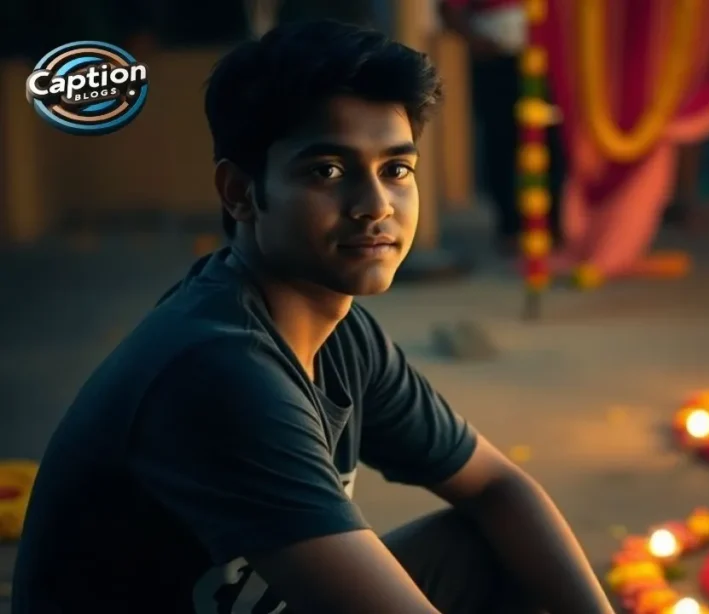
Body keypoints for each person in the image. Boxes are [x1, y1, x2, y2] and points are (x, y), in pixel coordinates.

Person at [12, 21, 614, 614]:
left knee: (495, 548)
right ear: (240, 192)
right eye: (327, 170)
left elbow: (498, 486)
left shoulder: (340, 332)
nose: (375, 206)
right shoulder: (219, 369)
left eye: (396, 170)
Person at [438, 0, 564, 254]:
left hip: (546, 59)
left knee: (552, 142)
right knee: (501, 142)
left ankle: (553, 226)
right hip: (497, 58)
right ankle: (510, 228)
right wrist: (476, 41)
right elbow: (448, 9)